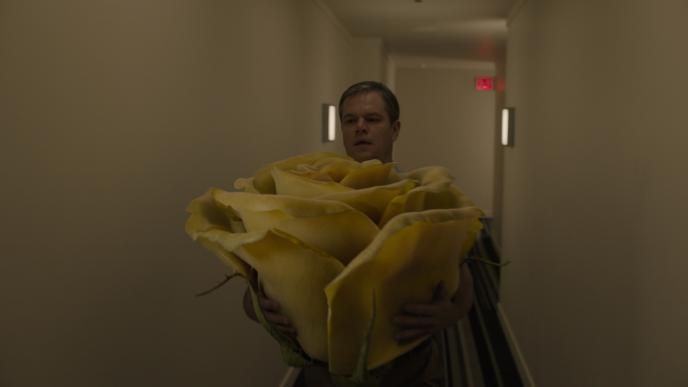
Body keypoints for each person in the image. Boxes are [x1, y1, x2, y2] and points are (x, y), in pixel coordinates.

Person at [243, 81, 474, 386]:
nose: (360, 128)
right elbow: (256, 287)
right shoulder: (311, 198)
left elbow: (463, 280)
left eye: (372, 119)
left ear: (395, 129)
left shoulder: (421, 197)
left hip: (407, 369)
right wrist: (258, 308)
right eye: (350, 120)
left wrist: (450, 314)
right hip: (327, 372)